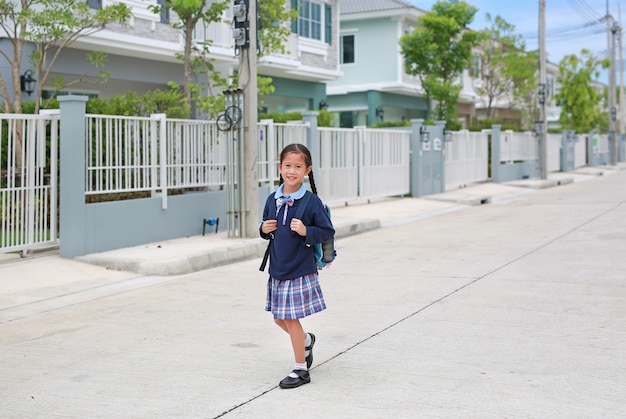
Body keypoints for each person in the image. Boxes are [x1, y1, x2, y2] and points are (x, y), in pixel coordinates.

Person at [259, 143, 335, 389]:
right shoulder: (273, 199)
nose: (292, 171)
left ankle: (300, 369)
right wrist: (262, 229)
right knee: (279, 320)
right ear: (280, 167)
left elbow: (326, 231)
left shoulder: (311, 202)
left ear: (307, 170)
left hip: (300, 268)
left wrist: (306, 231)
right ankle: (306, 340)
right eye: (288, 165)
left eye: (298, 166)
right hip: (278, 268)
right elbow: (266, 228)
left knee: (290, 319)